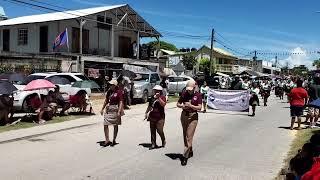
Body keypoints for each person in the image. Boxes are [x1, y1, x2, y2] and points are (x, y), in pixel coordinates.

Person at [177, 80, 202, 166]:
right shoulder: (184, 94)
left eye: (190, 89)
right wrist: (183, 106)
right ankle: (190, 150)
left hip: (193, 117)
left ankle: (185, 157)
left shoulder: (198, 95)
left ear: (194, 88)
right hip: (184, 115)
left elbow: (199, 107)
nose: (189, 90)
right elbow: (178, 103)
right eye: (188, 89)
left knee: (189, 137)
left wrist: (191, 106)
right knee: (185, 135)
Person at [100, 79, 124, 147]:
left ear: (115, 85)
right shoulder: (109, 92)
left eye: (111, 85)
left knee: (115, 125)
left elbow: (121, 102)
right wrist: (102, 109)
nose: (110, 86)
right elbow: (106, 101)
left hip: (115, 109)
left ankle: (114, 139)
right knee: (105, 124)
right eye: (110, 84)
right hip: (109, 109)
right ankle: (107, 140)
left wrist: (119, 111)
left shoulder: (119, 92)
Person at [145, 85, 167, 150]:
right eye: (155, 90)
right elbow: (149, 106)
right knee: (152, 130)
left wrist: (158, 98)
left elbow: (163, 104)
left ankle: (163, 140)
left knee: (159, 130)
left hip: (160, 117)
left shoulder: (163, 97)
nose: (156, 92)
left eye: (158, 91)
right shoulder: (152, 97)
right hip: (152, 116)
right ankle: (153, 143)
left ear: (160, 91)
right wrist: (146, 113)